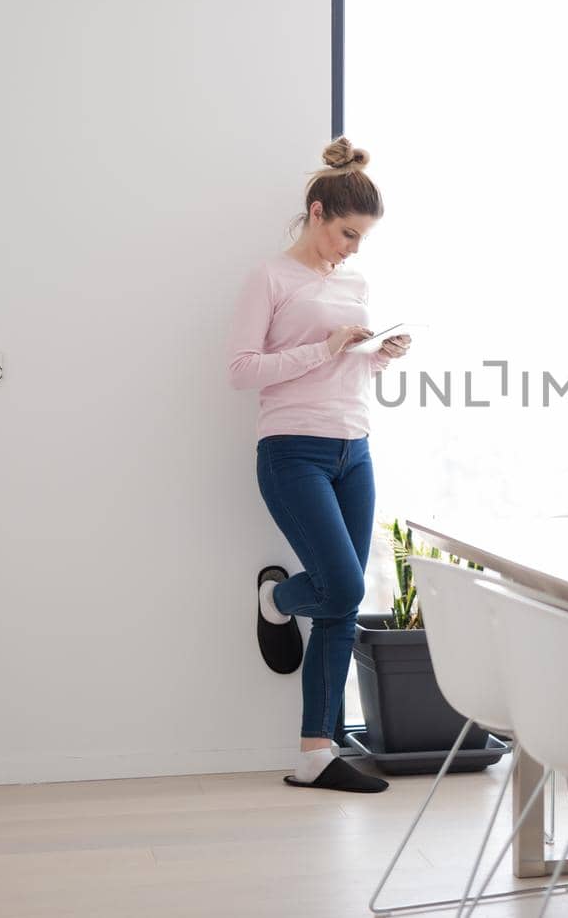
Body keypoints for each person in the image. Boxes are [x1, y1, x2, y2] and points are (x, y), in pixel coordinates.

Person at [226, 136, 411, 792]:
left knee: (339, 603)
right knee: (344, 585)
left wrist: (378, 353)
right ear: (316, 212)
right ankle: (276, 599)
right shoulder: (270, 278)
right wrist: (324, 346)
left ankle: (316, 752)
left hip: (352, 447)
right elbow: (241, 369)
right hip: (291, 449)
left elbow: (344, 363)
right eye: (347, 233)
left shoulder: (354, 282)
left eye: (361, 238)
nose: (352, 247)